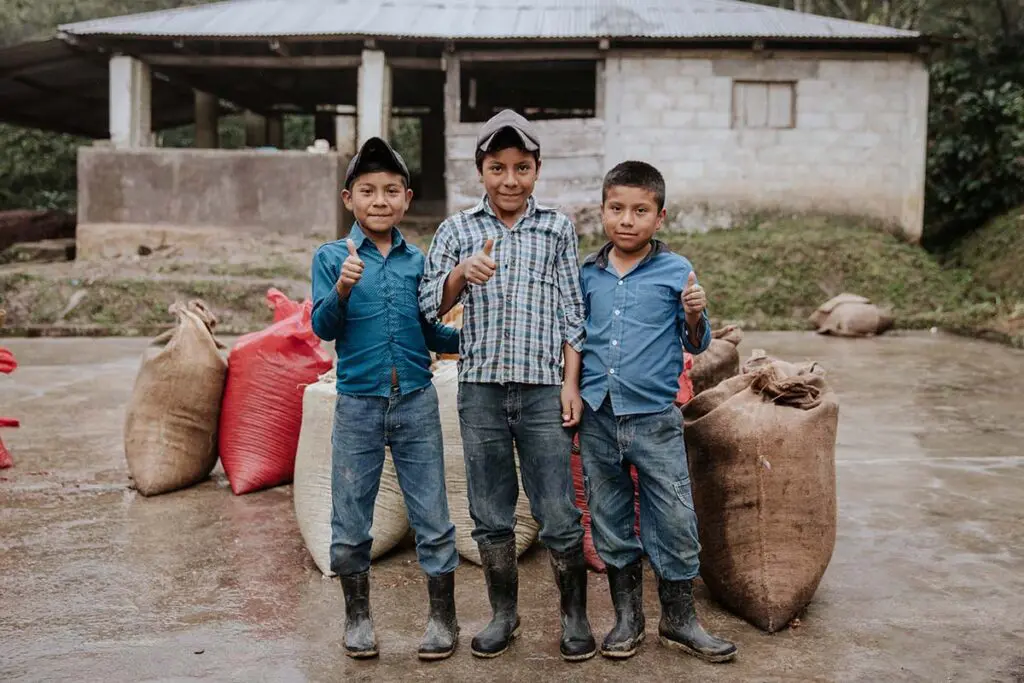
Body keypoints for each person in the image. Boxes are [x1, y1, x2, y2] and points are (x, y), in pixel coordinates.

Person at [419, 109, 595, 661]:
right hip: (481, 392)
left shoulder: (556, 229)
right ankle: (503, 615)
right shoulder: (457, 230)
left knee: (558, 511)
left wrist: (570, 384)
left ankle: (574, 618)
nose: (510, 180)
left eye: (522, 168)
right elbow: (428, 307)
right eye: (498, 168)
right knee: (491, 513)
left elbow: (573, 313)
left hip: (543, 390)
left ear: (537, 169)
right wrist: (460, 275)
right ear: (481, 170)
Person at [576, 161, 738, 663]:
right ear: (602, 210)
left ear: (660, 217)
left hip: (655, 418)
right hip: (599, 416)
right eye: (617, 208)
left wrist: (694, 313)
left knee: (674, 517)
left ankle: (679, 619)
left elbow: (697, 342)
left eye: (640, 210)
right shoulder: (587, 274)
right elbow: (575, 339)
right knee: (609, 517)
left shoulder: (676, 271)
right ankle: (628, 619)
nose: (627, 220)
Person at [310, 137, 461, 661]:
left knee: (433, 515)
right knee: (351, 518)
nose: (380, 200)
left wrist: (472, 339)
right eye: (368, 190)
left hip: (416, 401)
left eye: (391, 190)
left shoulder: (417, 261)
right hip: (358, 405)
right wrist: (343, 288)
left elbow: (430, 330)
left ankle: (442, 618)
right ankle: (357, 619)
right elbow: (323, 328)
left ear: (407, 198)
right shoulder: (332, 257)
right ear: (348, 198)